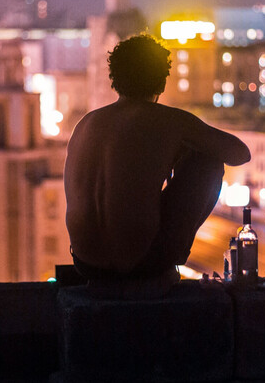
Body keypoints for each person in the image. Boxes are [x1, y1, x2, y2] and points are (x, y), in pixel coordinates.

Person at [64, 34, 251, 296]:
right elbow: (239, 154)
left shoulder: (85, 124)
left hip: (87, 266)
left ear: (114, 79)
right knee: (207, 162)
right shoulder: (168, 120)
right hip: (142, 266)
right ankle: (169, 265)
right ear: (162, 81)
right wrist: (184, 147)